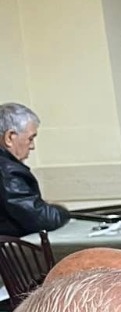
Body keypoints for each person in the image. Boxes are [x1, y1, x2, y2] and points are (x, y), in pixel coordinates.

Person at [0, 101, 69, 239]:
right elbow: (43, 218)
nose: (32, 147)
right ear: (9, 137)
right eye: (30, 139)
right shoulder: (8, 172)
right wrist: (62, 211)